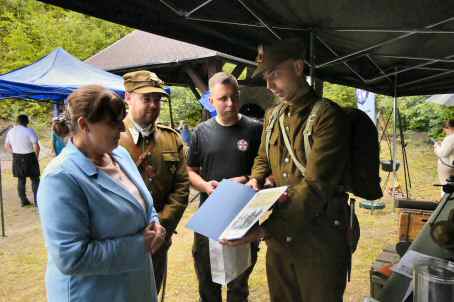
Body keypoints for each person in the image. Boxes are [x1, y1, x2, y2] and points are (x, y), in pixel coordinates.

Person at [223, 39, 351, 301]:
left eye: (275, 75)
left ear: (298, 67)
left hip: (319, 238)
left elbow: (316, 185)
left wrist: (262, 231)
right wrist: (255, 181)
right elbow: (263, 157)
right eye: (266, 77)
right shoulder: (273, 115)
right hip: (281, 240)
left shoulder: (327, 116)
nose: (269, 85)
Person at [37, 85, 166, 302]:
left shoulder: (120, 155)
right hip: (93, 294)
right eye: (112, 123)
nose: (122, 129)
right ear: (84, 124)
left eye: (121, 120)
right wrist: (139, 245)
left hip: (133, 287)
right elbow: (71, 257)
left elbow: (142, 202)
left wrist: (154, 221)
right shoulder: (60, 177)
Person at [187, 72, 262, 302]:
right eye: (223, 98)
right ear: (211, 101)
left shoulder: (255, 129)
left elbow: (266, 169)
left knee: (239, 283)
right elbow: (190, 170)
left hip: (243, 216)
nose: (230, 103)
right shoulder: (201, 132)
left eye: (234, 96)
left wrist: (244, 178)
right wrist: (205, 187)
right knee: (208, 282)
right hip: (210, 216)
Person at [120, 70, 190, 293]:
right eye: (146, 98)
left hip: (159, 238)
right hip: (122, 242)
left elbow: (181, 187)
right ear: (128, 97)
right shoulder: (111, 137)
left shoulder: (172, 138)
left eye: (157, 99)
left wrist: (161, 228)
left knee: (152, 291)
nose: (153, 105)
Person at [4, 114, 40, 207]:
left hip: (17, 157)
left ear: (18, 121)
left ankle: (24, 201)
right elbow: (36, 146)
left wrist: (14, 154)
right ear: (26, 121)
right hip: (30, 156)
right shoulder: (29, 130)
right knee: (35, 179)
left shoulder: (11, 131)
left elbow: (6, 146)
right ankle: (37, 201)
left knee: (21, 180)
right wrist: (36, 157)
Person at [434, 119, 454, 185]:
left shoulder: (450, 138)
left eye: (444, 129)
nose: (444, 131)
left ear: (448, 128)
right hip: (451, 165)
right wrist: (442, 144)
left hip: (447, 166)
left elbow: (442, 153)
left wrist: (436, 147)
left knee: (446, 186)